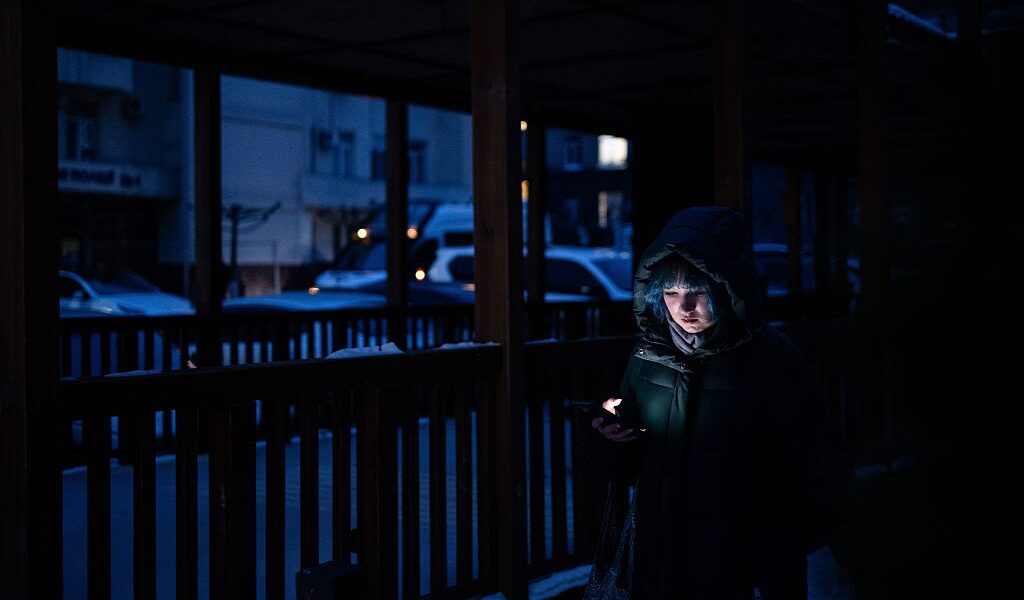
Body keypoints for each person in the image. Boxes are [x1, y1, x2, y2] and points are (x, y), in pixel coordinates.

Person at [586, 206, 858, 599]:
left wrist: (821, 548)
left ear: (727, 287)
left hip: (746, 569)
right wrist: (610, 440)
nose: (683, 309)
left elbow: (820, 462)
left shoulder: (771, 359)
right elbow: (633, 465)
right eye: (671, 293)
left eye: (697, 291)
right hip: (661, 568)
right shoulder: (648, 356)